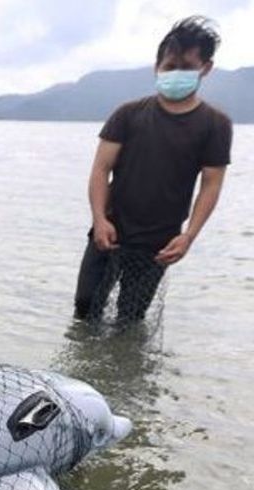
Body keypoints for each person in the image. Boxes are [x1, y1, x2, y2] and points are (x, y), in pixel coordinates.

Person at [74, 15, 232, 323]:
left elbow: (211, 185)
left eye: (187, 67)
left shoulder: (215, 125)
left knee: (129, 320)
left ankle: (125, 369)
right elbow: (100, 170)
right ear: (156, 66)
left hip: (158, 244)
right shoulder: (128, 114)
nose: (176, 74)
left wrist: (189, 236)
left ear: (206, 68)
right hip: (109, 231)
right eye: (169, 66)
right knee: (84, 308)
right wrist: (99, 218)